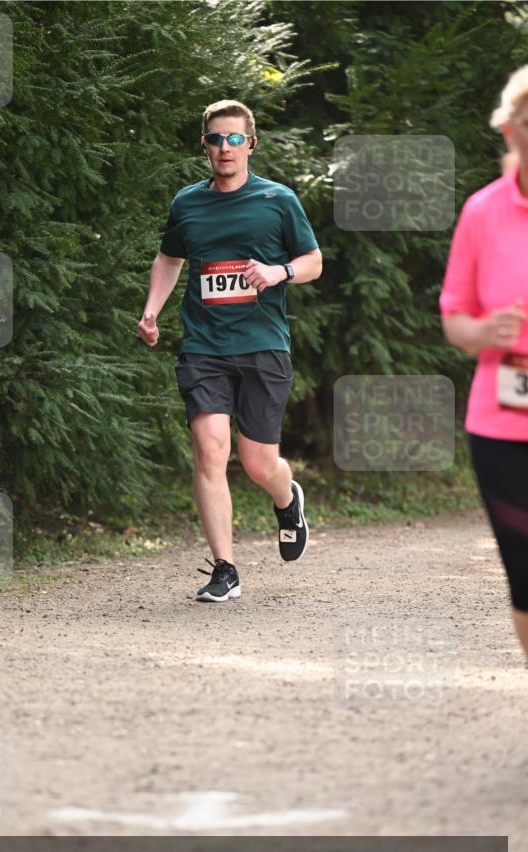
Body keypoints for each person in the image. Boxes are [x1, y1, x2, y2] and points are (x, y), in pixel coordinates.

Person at [137, 99, 322, 602]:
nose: (225, 147)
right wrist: (153, 308)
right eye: (216, 138)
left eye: (235, 138)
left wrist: (279, 271)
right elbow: (169, 256)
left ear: (251, 144)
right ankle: (225, 568)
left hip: (262, 344)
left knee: (259, 463)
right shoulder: (188, 203)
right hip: (204, 346)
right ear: (205, 144)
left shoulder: (278, 200)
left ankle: (288, 500)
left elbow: (313, 261)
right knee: (210, 448)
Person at [440, 65, 528, 658]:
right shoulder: (483, 212)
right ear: (509, 131)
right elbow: (455, 320)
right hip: (501, 424)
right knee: (525, 579)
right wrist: (486, 329)